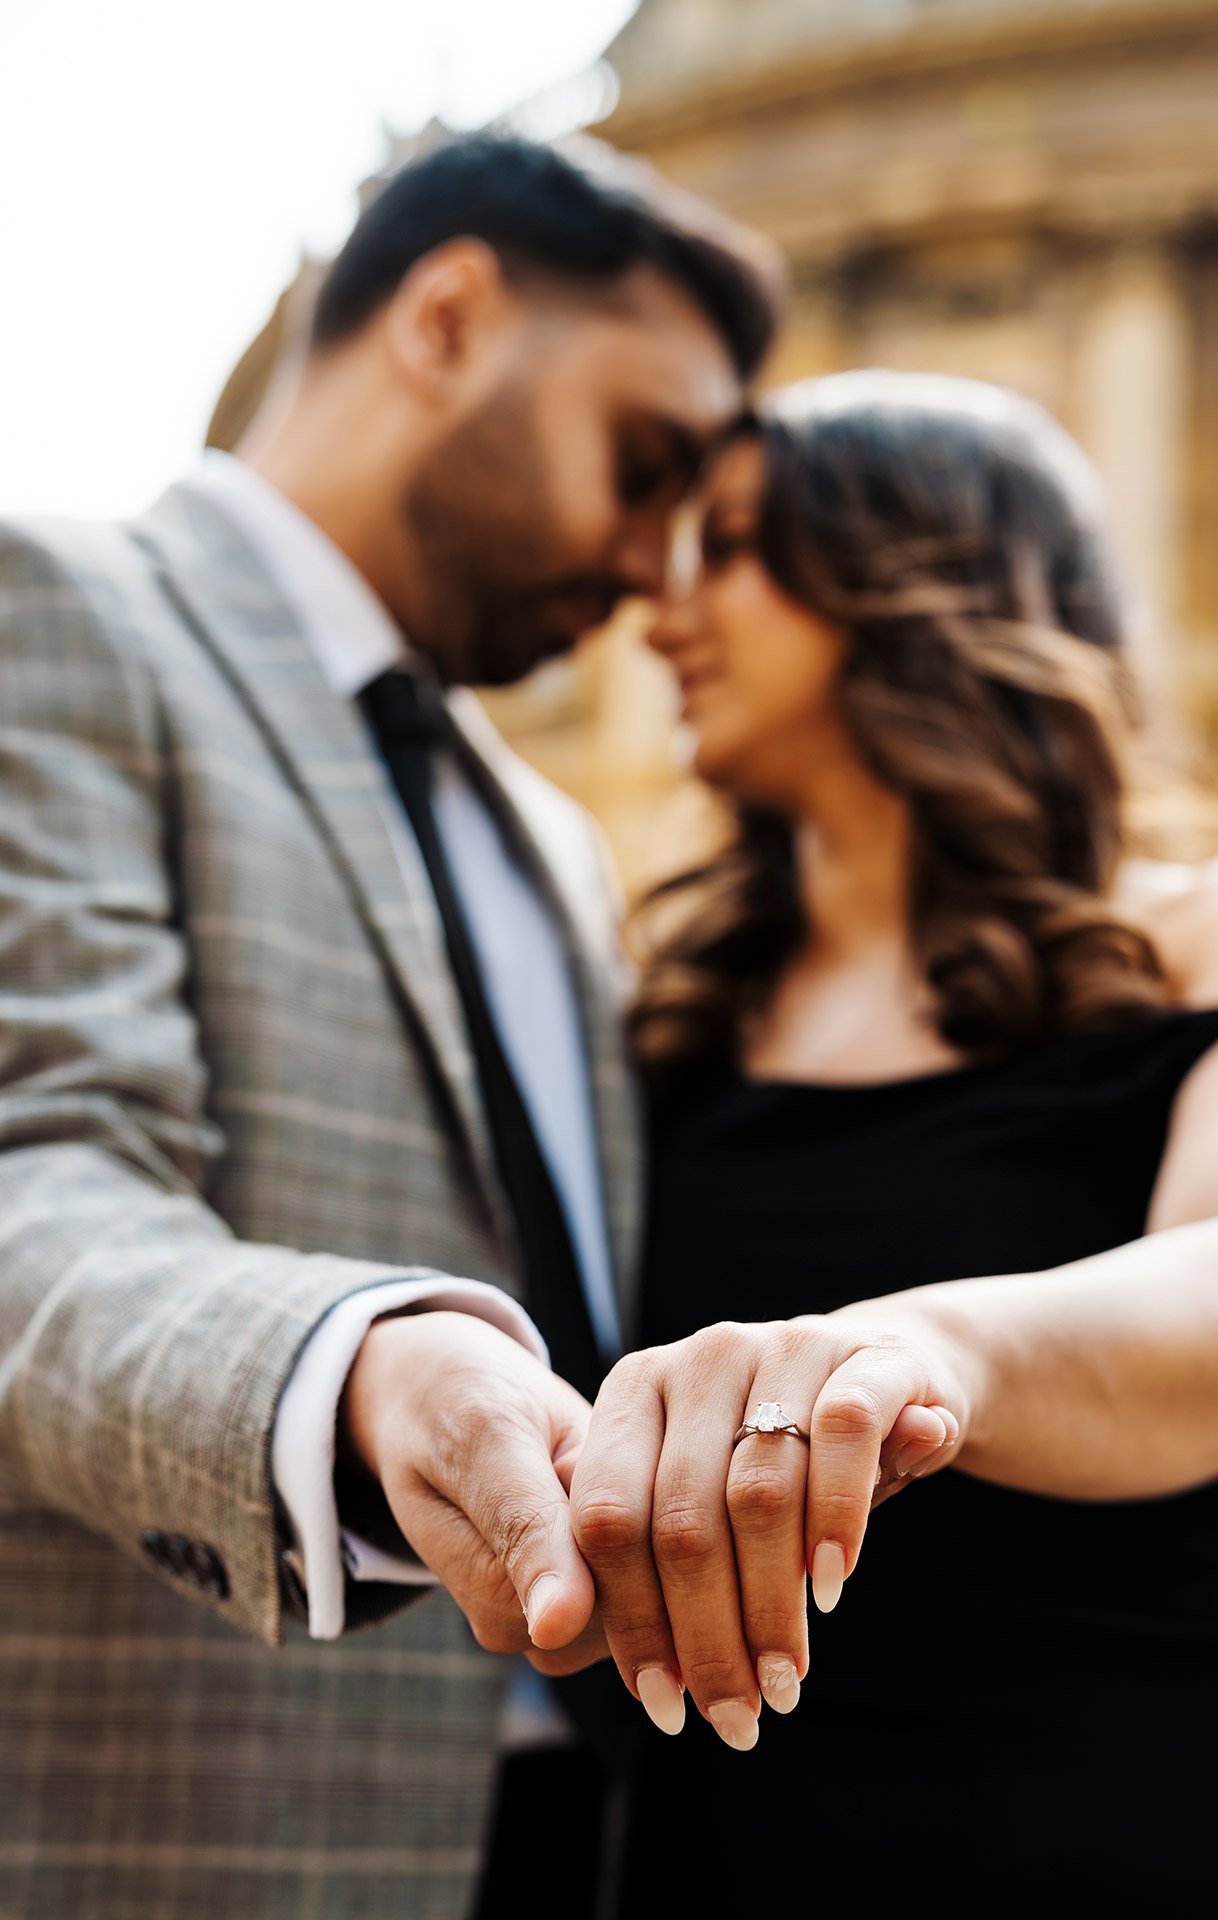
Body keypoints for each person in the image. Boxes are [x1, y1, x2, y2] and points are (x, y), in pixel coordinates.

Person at [0, 132, 782, 1920]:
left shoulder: (551, 838)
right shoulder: (57, 609)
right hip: (189, 1837)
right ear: (447, 320)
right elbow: (30, 1178)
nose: (660, 566)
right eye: (644, 461)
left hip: (582, 1833)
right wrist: (351, 1365)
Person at [566, 372, 1218, 1918]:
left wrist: (923, 1354)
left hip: (1141, 1828)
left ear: (916, 575)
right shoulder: (669, 1018)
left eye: (732, 548)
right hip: (726, 1851)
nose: (664, 619)